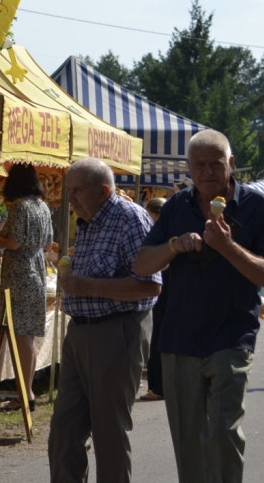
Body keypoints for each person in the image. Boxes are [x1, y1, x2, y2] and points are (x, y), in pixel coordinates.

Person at [134, 129, 264, 483]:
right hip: (179, 338)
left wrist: (227, 246)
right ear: (189, 168)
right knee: (187, 441)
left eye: (215, 164)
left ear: (231, 164)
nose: (207, 172)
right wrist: (173, 246)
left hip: (231, 336)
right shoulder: (176, 207)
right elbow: (141, 264)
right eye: (199, 165)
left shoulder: (257, 207)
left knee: (223, 433)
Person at [48, 158, 161, 483]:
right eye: (69, 191)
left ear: (104, 191)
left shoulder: (130, 219)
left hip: (117, 332)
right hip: (79, 333)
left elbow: (150, 285)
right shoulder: (87, 220)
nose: (71, 199)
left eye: (78, 191)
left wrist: (87, 286)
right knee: (64, 431)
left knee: (109, 435)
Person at [0, 164, 54, 412]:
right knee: (28, 337)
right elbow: (48, 243)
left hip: (20, 274)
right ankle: (26, 392)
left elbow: (14, 243)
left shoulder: (20, 206)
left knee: (20, 337)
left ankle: (25, 394)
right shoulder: (43, 206)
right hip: (37, 270)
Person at [141, 197, 168, 402]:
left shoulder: (160, 234)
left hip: (161, 290)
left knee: (157, 336)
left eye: (148, 213)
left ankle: (158, 387)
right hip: (164, 289)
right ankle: (159, 385)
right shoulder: (165, 233)